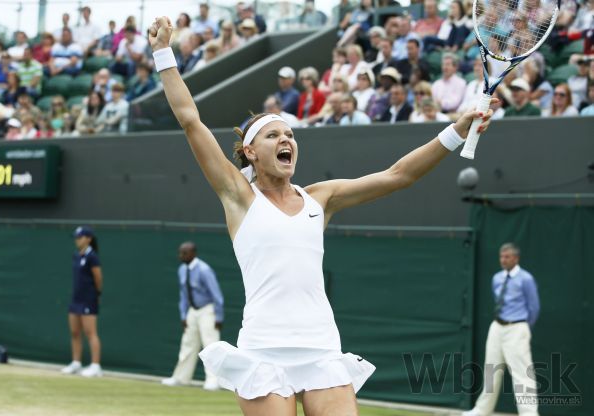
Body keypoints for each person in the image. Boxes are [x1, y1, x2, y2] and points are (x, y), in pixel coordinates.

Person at [146, 16, 494, 415]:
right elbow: (191, 120)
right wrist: (163, 52)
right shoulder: (238, 196)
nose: (286, 140)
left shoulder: (320, 198)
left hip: (321, 349)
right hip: (263, 350)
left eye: (291, 135)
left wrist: (456, 129)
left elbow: (399, 175)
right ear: (251, 153)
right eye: (274, 135)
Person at [462, 243, 540, 416]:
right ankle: (482, 410)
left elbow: (534, 307)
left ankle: (529, 413)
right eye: (501, 257)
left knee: (522, 374)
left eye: (507, 257)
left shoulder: (526, 279)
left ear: (516, 258)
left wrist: (524, 328)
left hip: (517, 327)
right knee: (491, 370)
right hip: (497, 327)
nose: (503, 260)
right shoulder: (497, 278)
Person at [162, 242, 224, 390]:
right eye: (180, 253)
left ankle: (213, 380)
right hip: (192, 311)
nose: (181, 256)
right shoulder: (182, 270)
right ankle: (181, 378)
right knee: (187, 344)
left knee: (210, 344)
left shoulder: (204, 270)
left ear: (193, 253)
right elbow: (183, 295)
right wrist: (183, 315)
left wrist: (219, 317)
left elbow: (217, 295)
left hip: (207, 310)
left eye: (185, 253)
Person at [60, 226, 104, 378]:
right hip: (76, 298)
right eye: (76, 237)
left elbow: (98, 278)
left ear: (88, 239)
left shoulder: (93, 257)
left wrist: (97, 293)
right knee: (74, 332)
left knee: (90, 332)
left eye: (80, 237)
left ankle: (96, 366)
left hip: (88, 299)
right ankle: (76, 363)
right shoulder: (76, 255)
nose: (77, 240)